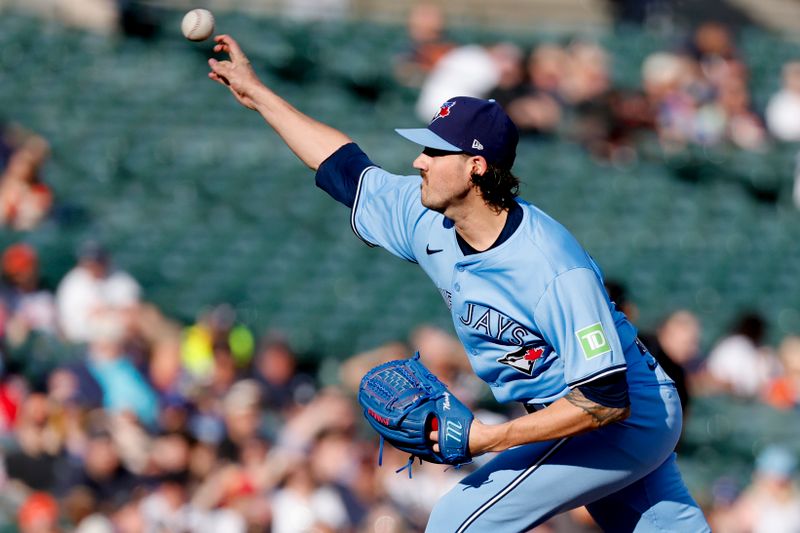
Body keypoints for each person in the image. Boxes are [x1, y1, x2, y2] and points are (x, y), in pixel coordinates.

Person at [206, 34, 710, 531]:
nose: (418, 161)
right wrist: (258, 95)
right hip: (587, 409)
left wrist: (490, 439)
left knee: (457, 520)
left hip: (620, 417)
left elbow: (604, 397)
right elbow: (346, 170)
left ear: (475, 167)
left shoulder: (551, 266)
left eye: (433, 151)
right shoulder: (431, 220)